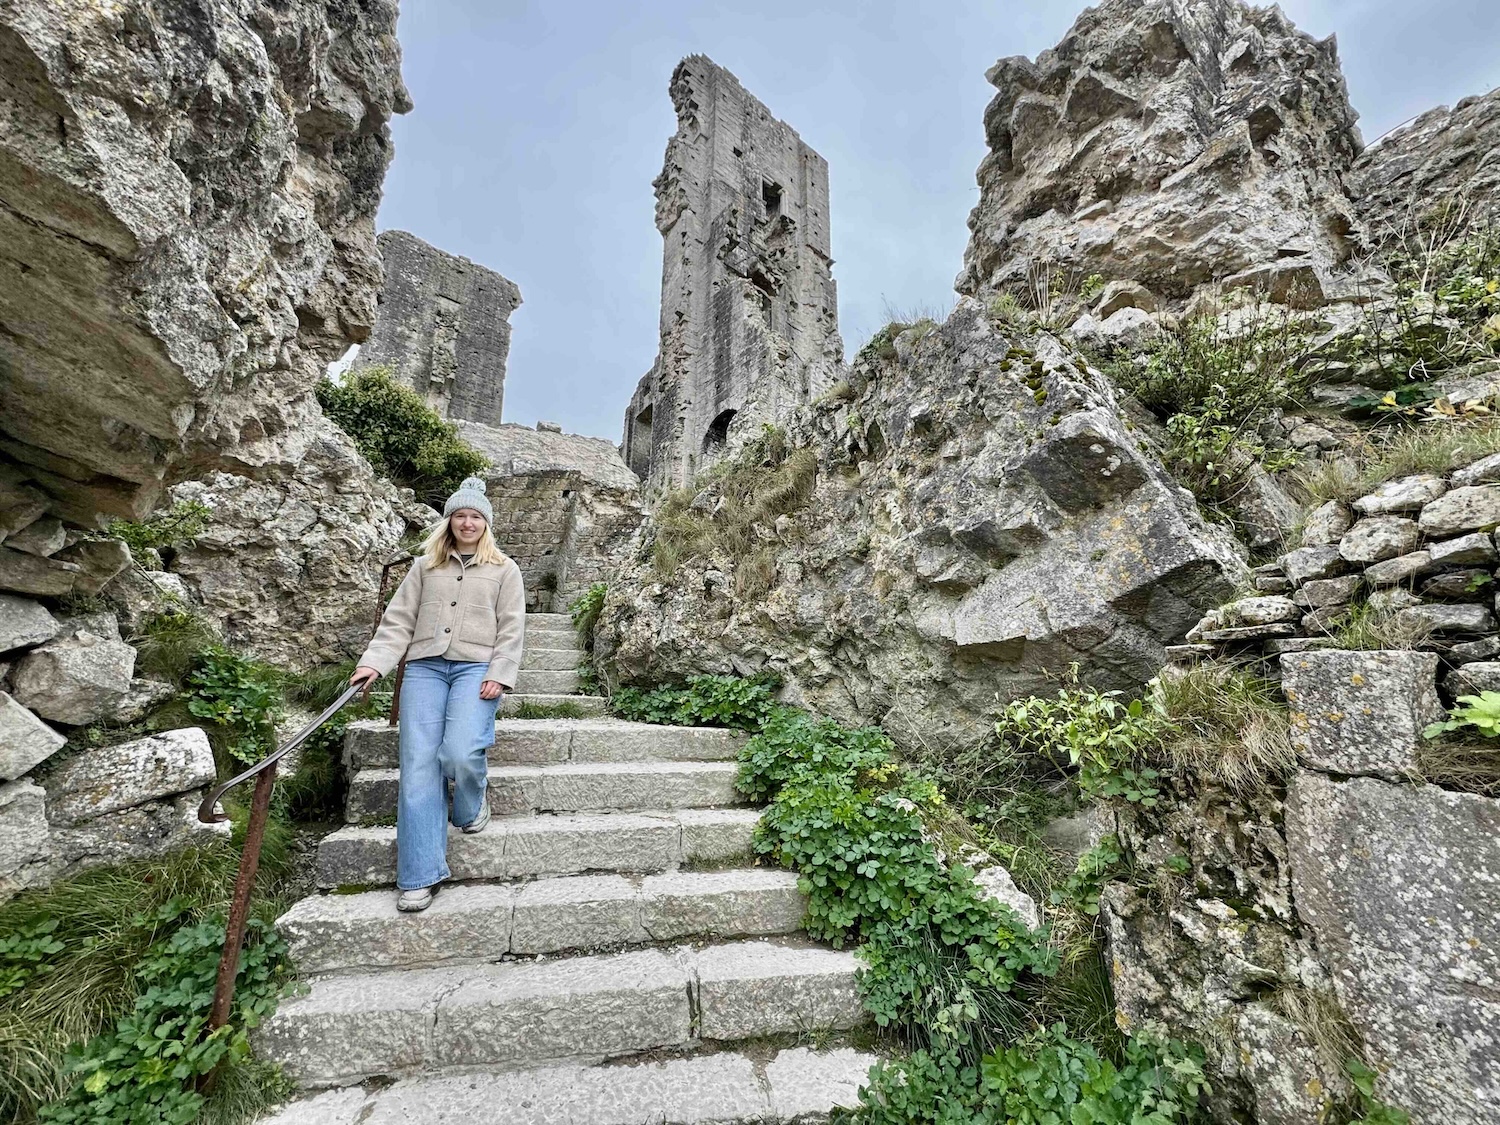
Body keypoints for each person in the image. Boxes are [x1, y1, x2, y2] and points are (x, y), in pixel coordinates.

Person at [349, 476, 525, 912]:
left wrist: (501, 673)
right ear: (448, 522)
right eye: (460, 516)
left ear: (487, 523)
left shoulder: (505, 569)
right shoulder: (424, 567)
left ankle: (469, 806)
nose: (468, 523)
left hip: (476, 669)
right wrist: (374, 662)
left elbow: (512, 626)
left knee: (461, 753)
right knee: (418, 766)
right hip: (425, 667)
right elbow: (397, 622)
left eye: (476, 516)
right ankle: (419, 875)